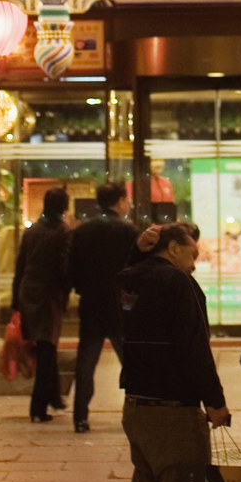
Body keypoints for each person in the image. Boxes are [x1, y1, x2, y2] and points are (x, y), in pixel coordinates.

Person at [118, 220, 231, 482]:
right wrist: (215, 403)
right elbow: (193, 349)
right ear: (174, 248)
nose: (195, 264)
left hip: (137, 409)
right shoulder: (179, 284)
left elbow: (123, 273)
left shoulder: (132, 279)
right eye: (193, 254)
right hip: (174, 414)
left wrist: (137, 249)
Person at [68, 180, 142, 435]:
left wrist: (81, 289)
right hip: (120, 303)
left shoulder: (83, 230)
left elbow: (72, 267)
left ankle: (80, 417)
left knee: (86, 360)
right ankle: (138, 411)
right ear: (120, 201)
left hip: (91, 301)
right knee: (130, 360)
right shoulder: (129, 230)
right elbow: (137, 267)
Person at [12, 185, 72, 424]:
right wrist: (68, 291)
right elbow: (65, 268)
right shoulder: (64, 233)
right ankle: (38, 408)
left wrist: (15, 300)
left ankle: (54, 397)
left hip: (29, 293)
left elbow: (20, 267)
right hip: (50, 296)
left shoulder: (32, 231)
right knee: (47, 349)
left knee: (45, 348)